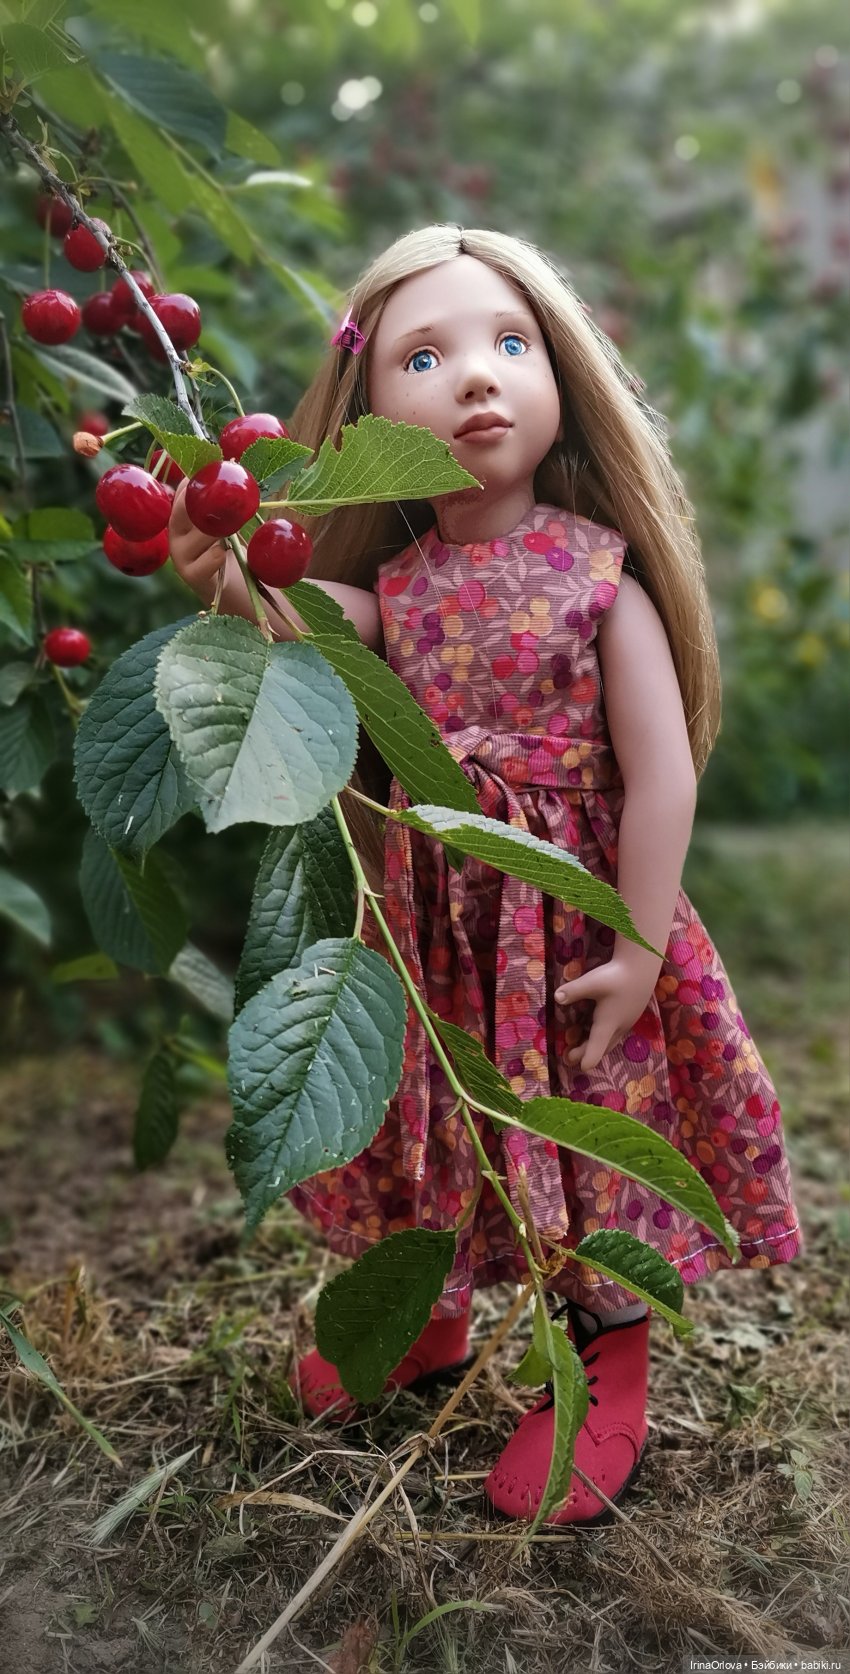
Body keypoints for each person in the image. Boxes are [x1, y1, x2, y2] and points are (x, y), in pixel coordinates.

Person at [167, 225, 804, 1527]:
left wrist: (634, 940)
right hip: (432, 916)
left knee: (584, 1131)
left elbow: (661, 769)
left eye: (510, 343)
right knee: (433, 1120)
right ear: (364, 410)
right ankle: (424, 1317)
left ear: (560, 373)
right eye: (427, 354)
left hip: (567, 920)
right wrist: (219, 553)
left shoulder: (596, 577)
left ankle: (599, 1359)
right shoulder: (398, 587)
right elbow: (305, 621)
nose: (477, 377)